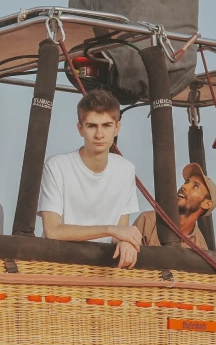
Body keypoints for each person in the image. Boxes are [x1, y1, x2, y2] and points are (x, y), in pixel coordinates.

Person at [38, 89, 142, 268]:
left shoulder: (126, 169)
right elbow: (52, 230)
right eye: (92, 126)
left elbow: (121, 228)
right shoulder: (57, 167)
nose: (99, 135)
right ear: (80, 129)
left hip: (103, 269)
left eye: (107, 125)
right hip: (58, 266)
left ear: (117, 128)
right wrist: (110, 230)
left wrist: (126, 241)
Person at [132, 162, 216, 248]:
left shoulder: (200, 247)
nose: (184, 186)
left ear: (206, 204)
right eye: (186, 182)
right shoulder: (147, 220)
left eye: (195, 186)